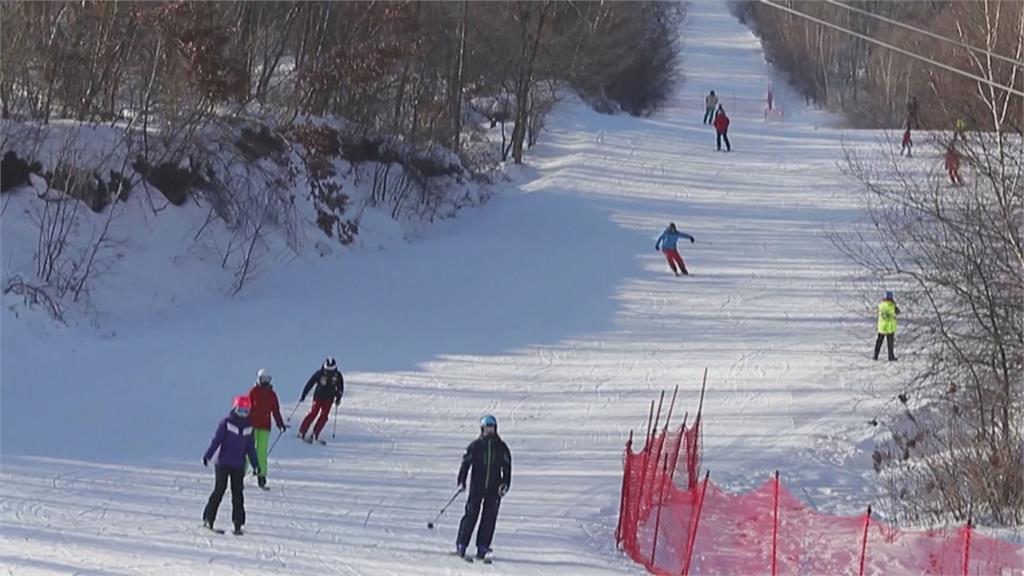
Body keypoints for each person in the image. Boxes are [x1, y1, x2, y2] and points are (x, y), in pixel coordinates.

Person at [455, 415, 512, 562]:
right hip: (477, 486)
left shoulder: (501, 447)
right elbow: (465, 464)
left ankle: (483, 546)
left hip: (494, 488)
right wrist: (461, 480)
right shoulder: (475, 446)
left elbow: (507, 468)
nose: (489, 431)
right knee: (471, 514)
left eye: (492, 428)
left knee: (489, 517)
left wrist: (505, 484)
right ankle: (462, 543)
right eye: (487, 428)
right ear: (482, 429)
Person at [202, 395, 260, 535]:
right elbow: (216, 441)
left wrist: (256, 465)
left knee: (238, 493)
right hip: (223, 463)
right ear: (235, 408)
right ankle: (208, 518)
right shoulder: (227, 422)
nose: (243, 414)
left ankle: (238, 523)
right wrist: (208, 455)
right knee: (220, 489)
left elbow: (250, 448)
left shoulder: (249, 426)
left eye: (246, 411)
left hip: (238, 465)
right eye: (240, 410)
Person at [248, 369, 288, 489]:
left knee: (262, 452)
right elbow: (245, 407)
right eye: (263, 379)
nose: (265, 382)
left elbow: (275, 411)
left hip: (265, 426)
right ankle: (240, 474)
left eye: (267, 379)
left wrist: (280, 424)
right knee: (247, 451)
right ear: (258, 379)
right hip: (251, 425)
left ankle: (261, 476)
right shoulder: (253, 391)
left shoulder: (272, 394)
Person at [298, 356, 344, 444]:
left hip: (329, 398)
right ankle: (302, 431)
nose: (329, 372)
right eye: (328, 370)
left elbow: (340, 387)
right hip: (318, 397)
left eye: (331, 370)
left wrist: (338, 398)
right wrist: (304, 394)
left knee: (324, 415)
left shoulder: (337, 375)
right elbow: (310, 383)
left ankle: (315, 433)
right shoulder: (320, 373)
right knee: (314, 413)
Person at [873, 291, 900, 361]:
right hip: (890, 327)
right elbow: (898, 312)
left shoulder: (880, 305)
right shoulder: (893, 306)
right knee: (890, 344)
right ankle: (891, 356)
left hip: (881, 326)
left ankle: (875, 355)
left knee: (879, 342)